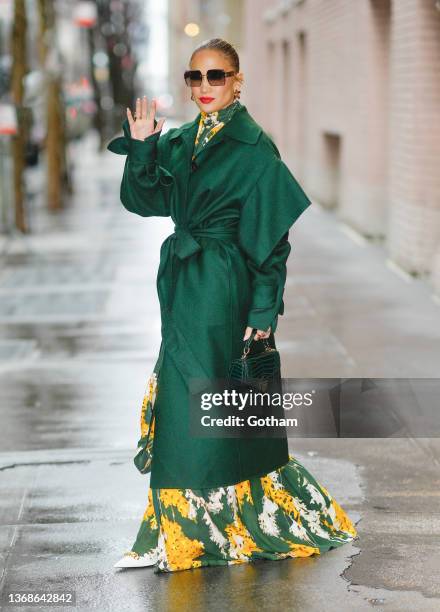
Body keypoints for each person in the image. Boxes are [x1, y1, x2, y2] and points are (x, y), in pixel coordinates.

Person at [108, 38, 357, 574]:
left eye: (216, 77)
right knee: (201, 403)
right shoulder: (180, 140)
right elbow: (143, 200)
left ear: (237, 81)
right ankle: (179, 526)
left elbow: (272, 245)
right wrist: (144, 147)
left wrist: (262, 317)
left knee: (201, 403)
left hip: (225, 288)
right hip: (183, 285)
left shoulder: (254, 147)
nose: (204, 87)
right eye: (194, 77)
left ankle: (182, 532)